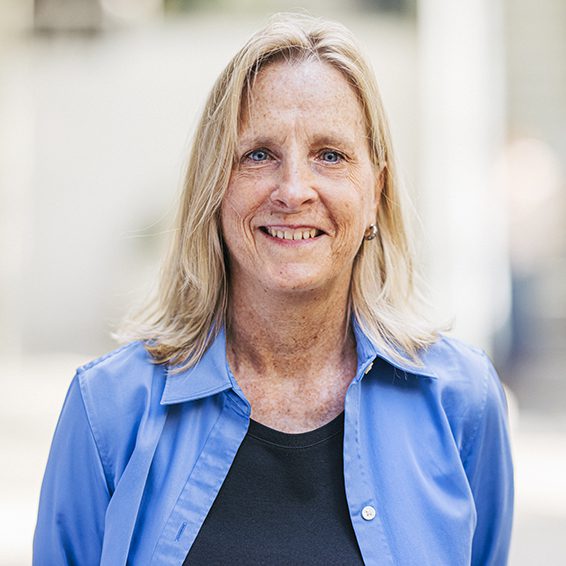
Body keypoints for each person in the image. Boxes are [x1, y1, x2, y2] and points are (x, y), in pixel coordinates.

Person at [33, 13, 513, 566]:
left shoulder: (460, 402)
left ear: (376, 191)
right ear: (214, 186)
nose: (293, 190)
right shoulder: (110, 409)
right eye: (259, 154)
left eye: (329, 155)